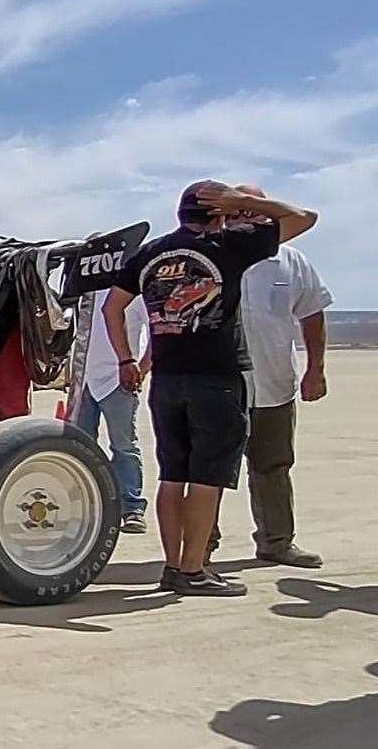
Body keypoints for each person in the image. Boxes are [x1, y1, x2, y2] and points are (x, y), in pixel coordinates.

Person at [104, 181, 317, 597]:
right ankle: (193, 568)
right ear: (218, 214)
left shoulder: (150, 253)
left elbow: (114, 307)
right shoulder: (229, 246)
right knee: (207, 477)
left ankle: (172, 565)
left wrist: (126, 359)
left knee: (172, 474)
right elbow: (304, 217)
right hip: (215, 378)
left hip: (167, 379)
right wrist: (246, 203)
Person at [218, 184, 334, 567]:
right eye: (235, 212)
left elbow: (312, 314)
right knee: (209, 470)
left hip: (274, 385)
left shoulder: (290, 260)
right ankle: (200, 548)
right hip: (220, 387)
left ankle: (276, 542)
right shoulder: (211, 256)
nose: (245, 219)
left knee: (273, 467)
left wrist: (315, 370)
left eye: (252, 210)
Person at [66, 286, 151, 533]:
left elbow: (155, 331)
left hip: (117, 379)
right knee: (79, 445)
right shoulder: (85, 292)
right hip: (83, 380)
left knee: (124, 445)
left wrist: (141, 370)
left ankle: (131, 507)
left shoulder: (133, 290)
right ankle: (85, 504)